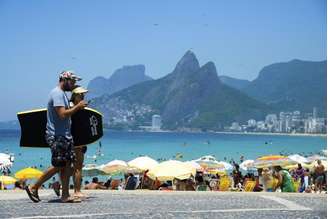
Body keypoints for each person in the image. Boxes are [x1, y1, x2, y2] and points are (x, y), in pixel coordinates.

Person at [25, 70, 87, 203]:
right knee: (58, 165)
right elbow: (62, 114)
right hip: (57, 135)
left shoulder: (62, 94)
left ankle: (65, 195)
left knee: (66, 165)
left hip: (64, 135)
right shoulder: (57, 94)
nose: (74, 84)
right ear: (65, 80)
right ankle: (33, 187)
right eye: (73, 81)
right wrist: (78, 107)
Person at [69, 86, 89, 198]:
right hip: (73, 140)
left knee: (74, 167)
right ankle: (77, 191)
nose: (82, 96)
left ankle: (61, 184)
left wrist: (85, 142)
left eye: (83, 94)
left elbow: (83, 126)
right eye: (80, 94)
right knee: (77, 167)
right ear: (74, 95)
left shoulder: (79, 107)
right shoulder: (71, 107)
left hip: (79, 140)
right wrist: (78, 107)